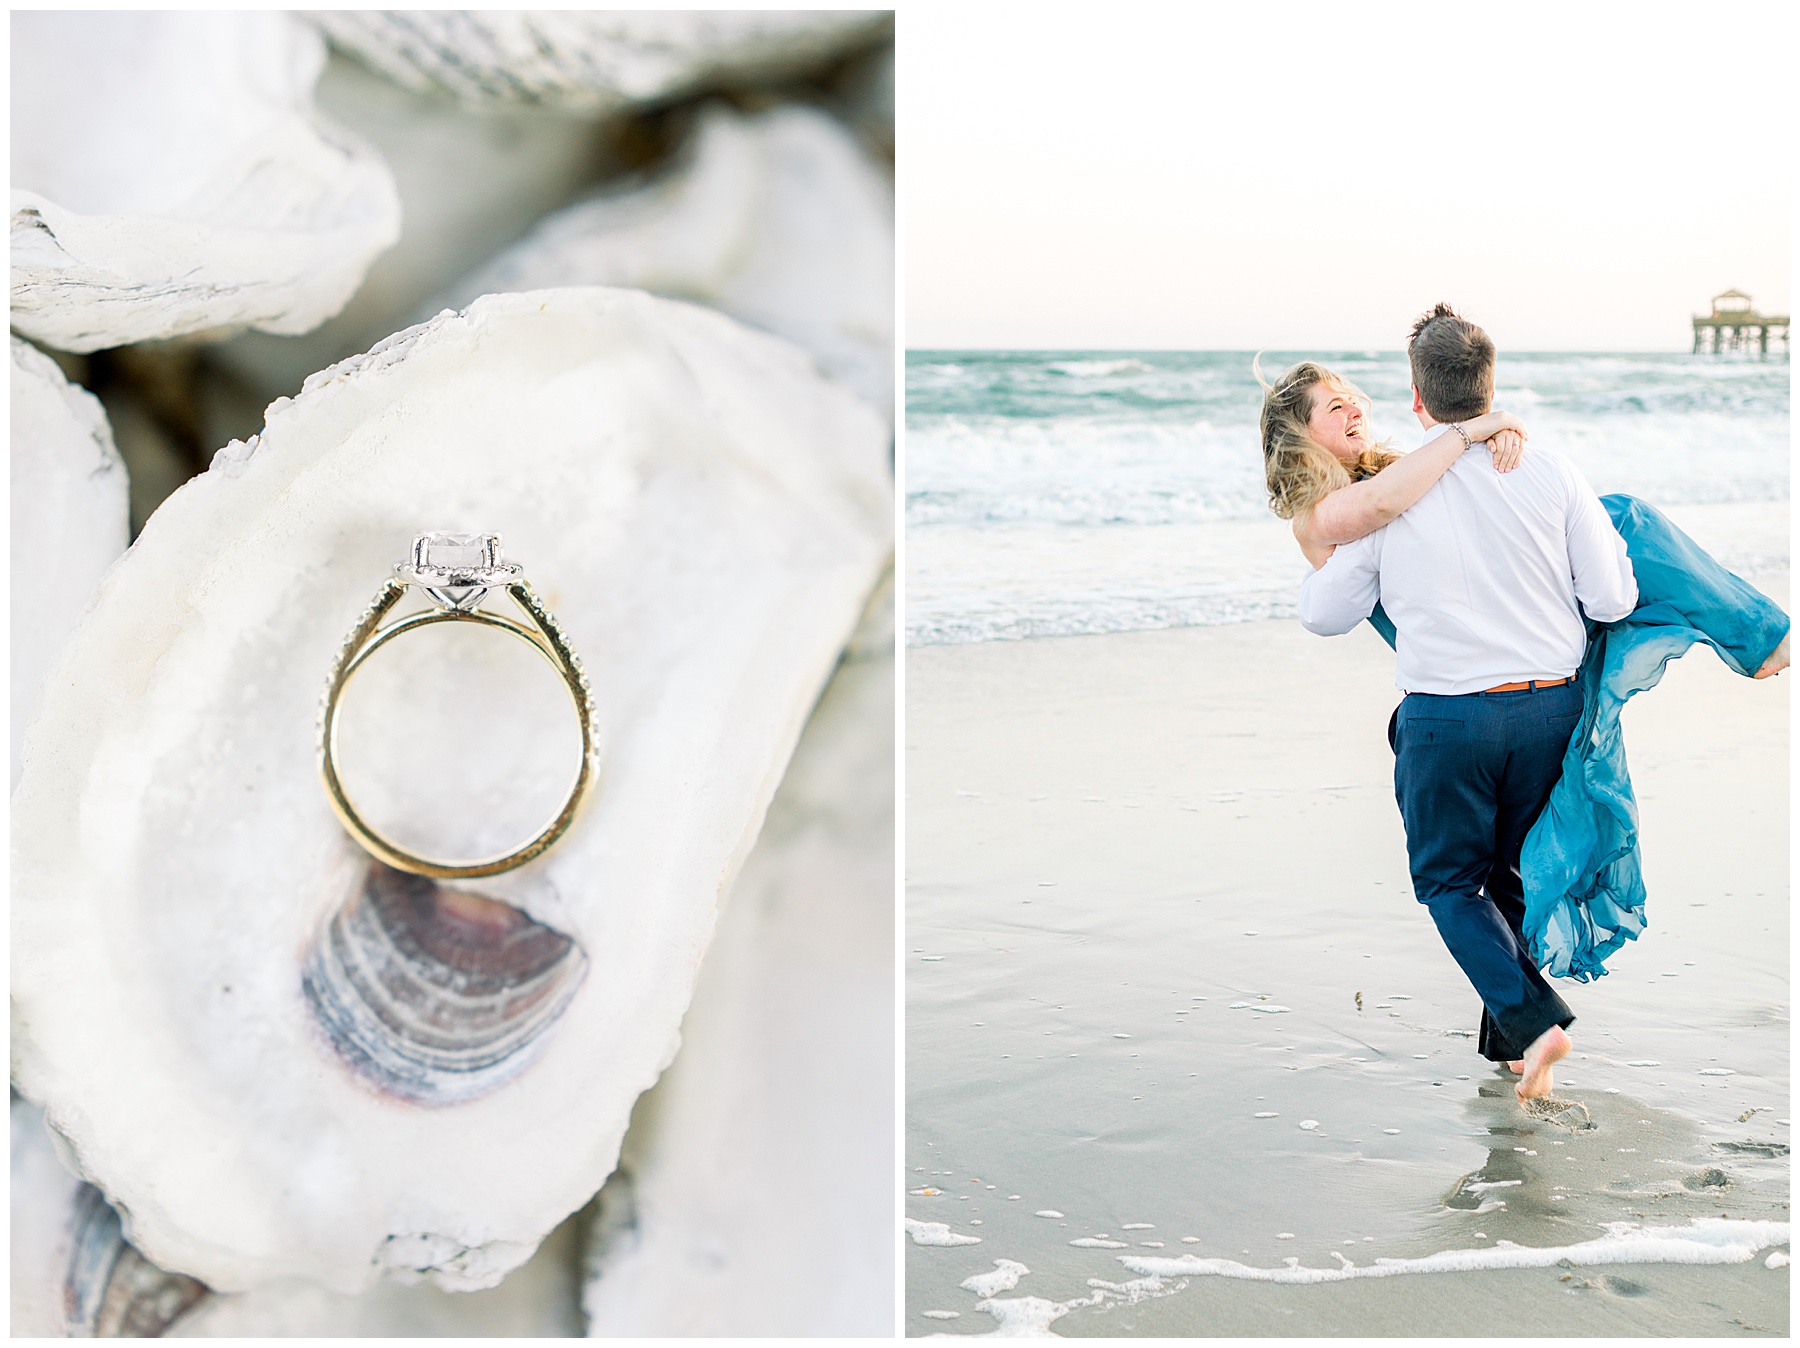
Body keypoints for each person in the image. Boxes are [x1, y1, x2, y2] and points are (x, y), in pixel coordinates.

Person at [1289, 305, 1644, 1102]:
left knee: (1450, 883)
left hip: (1448, 718)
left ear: (1418, 399)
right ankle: (1512, 1048)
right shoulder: (1552, 472)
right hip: (1548, 711)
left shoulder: (1393, 495)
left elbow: (1325, 615)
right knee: (1509, 876)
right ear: (1489, 387)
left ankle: (1535, 1021)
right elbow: (1614, 597)